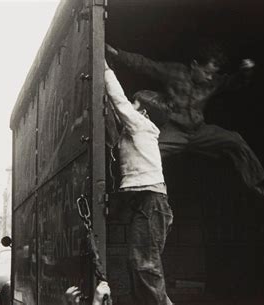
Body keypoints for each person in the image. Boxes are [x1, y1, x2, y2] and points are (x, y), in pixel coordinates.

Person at [106, 44, 264, 199]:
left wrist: (245, 72)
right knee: (149, 151)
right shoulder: (175, 72)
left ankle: (255, 182)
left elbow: (233, 82)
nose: (209, 77)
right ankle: (124, 190)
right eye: (206, 72)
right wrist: (117, 54)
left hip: (199, 131)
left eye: (212, 74)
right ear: (194, 65)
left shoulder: (213, 81)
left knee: (235, 139)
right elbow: (145, 65)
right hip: (174, 131)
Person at [105, 60, 173, 305]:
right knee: (140, 263)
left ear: (143, 112)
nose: (130, 108)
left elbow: (120, 103)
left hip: (151, 201)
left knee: (144, 265)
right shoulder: (134, 131)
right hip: (147, 201)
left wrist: (105, 71)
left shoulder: (142, 127)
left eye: (136, 105)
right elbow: (116, 113)